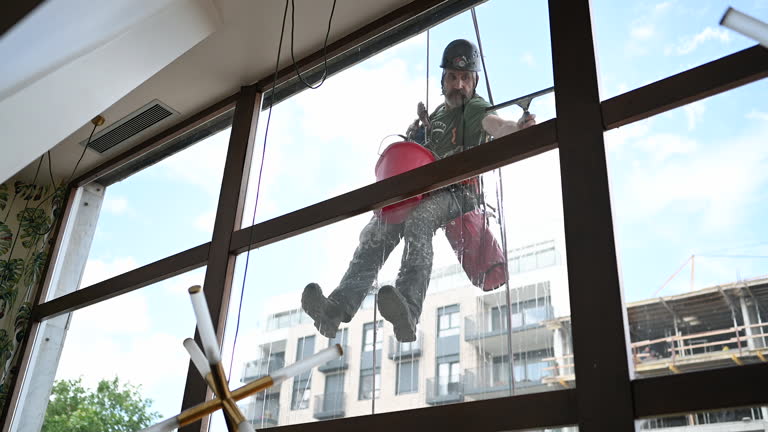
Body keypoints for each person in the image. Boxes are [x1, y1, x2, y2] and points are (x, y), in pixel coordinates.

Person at [302, 39, 537, 342]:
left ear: (474, 82)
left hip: (459, 192)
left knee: (420, 221)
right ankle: (335, 311)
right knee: (377, 232)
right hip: (426, 188)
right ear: (443, 81)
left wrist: (517, 130)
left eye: (465, 78)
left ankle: (408, 310)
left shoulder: (475, 107)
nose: (459, 84)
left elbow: (495, 124)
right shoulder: (437, 114)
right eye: (452, 77)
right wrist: (416, 136)